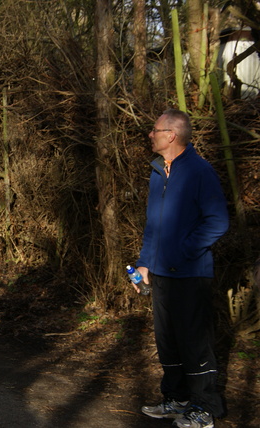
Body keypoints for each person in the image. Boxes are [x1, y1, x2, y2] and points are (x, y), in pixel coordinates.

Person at [135, 109, 229, 428]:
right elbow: (153, 226)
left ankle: (205, 407)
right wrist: (145, 264)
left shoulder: (199, 171)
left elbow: (218, 221)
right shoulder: (158, 171)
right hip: (160, 274)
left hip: (190, 274)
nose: (150, 134)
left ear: (171, 135)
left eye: (155, 130)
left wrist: (183, 251)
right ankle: (177, 399)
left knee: (194, 342)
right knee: (168, 340)